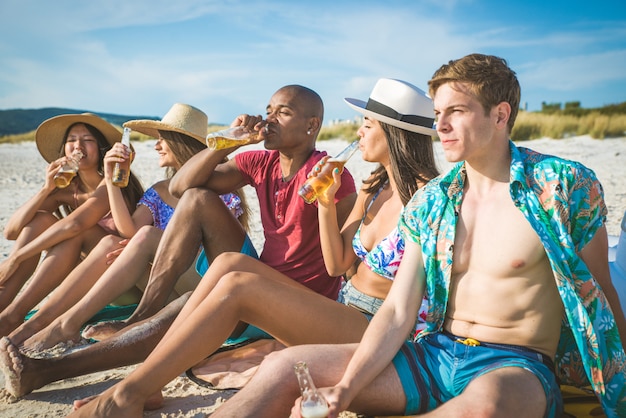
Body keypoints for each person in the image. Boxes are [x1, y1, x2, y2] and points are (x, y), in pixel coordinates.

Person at [208, 54, 626, 418]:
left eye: (456, 112)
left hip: (515, 364)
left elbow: (601, 294)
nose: (440, 125)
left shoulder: (563, 187)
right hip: (434, 353)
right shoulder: (433, 200)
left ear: (500, 115)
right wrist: (346, 388)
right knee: (285, 368)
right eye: (437, 113)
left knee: (483, 408)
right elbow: (396, 312)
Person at [54, 79, 442, 417]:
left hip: (376, 325)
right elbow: (339, 263)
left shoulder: (431, 198)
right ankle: (147, 378)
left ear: (394, 133)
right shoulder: (373, 189)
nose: (357, 133)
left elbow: (411, 291)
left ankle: (128, 394)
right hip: (344, 305)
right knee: (228, 265)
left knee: (237, 283)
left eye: (367, 124)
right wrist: (322, 203)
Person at [0, 83, 360, 399]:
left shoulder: (329, 175)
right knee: (197, 200)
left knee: (190, 307)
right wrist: (227, 143)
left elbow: (340, 260)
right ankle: (140, 316)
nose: (268, 120)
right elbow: (180, 187)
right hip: (260, 273)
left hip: (297, 299)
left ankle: (45, 370)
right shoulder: (259, 162)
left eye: (283, 113)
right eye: (267, 111)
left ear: (312, 125)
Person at [7, 103, 249, 351]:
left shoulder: (219, 188)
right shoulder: (160, 190)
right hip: (163, 286)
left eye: (161, 139)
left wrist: (149, 247)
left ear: (179, 142)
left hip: (201, 284)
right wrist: (112, 181)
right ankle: (48, 324)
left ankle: (58, 324)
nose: (156, 146)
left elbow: (211, 251)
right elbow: (129, 232)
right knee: (116, 242)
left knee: (142, 237)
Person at [0, 114, 144, 337]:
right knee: (41, 219)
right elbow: (12, 231)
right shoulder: (67, 189)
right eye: (72, 140)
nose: (78, 146)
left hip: (121, 281)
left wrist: (15, 258)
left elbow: (76, 224)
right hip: (83, 279)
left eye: (87, 140)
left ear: (101, 148)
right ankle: (4, 307)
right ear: (64, 149)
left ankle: (14, 315)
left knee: (78, 230)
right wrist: (46, 189)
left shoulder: (113, 180)